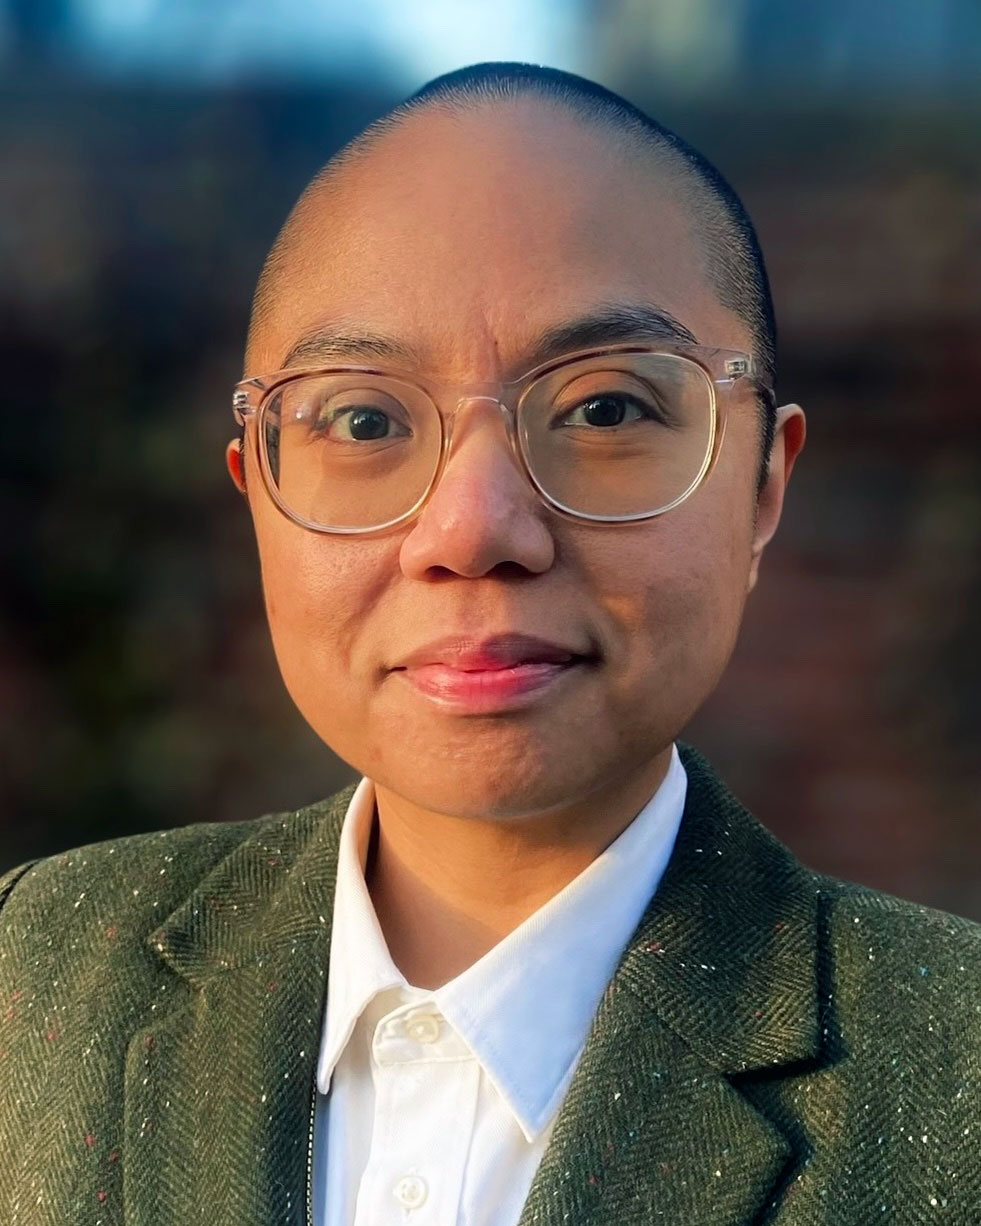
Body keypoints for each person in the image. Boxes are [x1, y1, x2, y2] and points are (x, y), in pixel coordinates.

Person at [1, 62, 978, 1226]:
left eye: (607, 408)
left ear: (766, 481)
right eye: (363, 419)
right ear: (255, 493)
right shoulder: (35, 974)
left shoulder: (948, 1073)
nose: (473, 530)